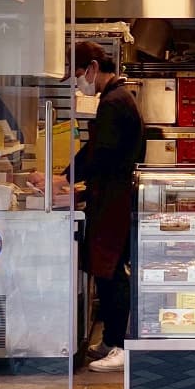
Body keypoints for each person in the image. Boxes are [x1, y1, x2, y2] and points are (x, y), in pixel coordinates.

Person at [70, 41, 145, 372]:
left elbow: (100, 154)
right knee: (106, 272)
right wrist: (66, 176)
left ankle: (122, 346)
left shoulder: (114, 102)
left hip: (114, 198)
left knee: (112, 272)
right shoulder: (117, 98)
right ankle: (111, 340)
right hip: (112, 196)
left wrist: (65, 179)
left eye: (78, 75)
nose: (78, 83)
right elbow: (96, 150)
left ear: (93, 68)